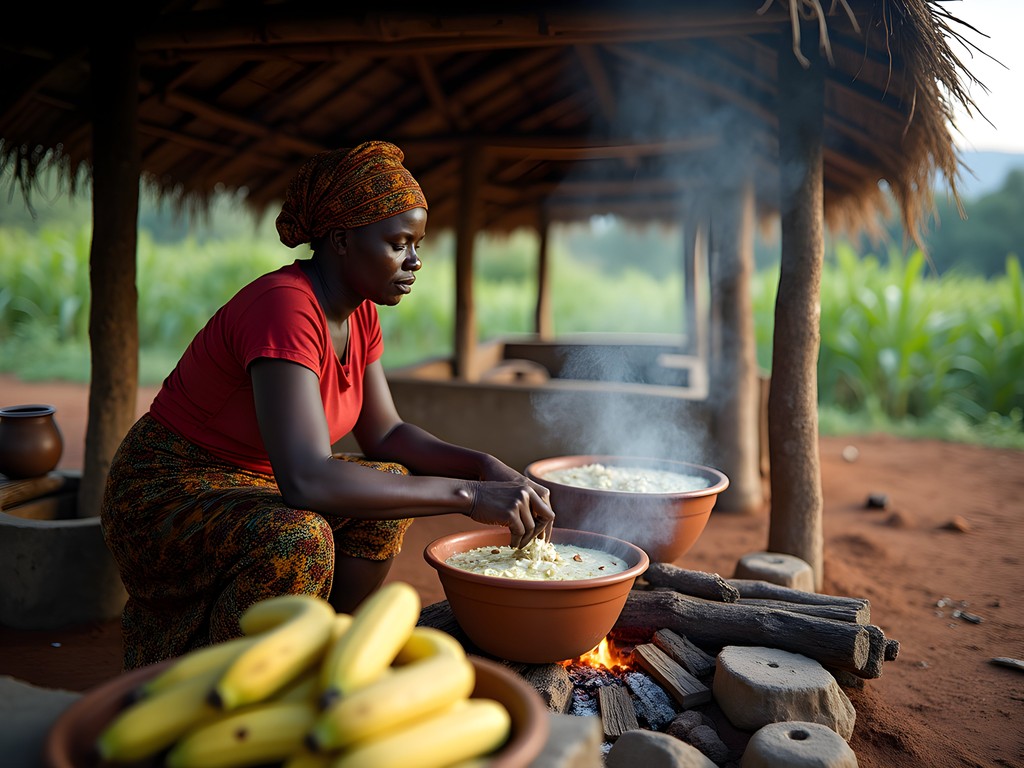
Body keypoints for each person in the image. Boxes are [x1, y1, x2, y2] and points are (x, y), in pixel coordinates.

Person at [100, 140, 555, 670]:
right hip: (165, 490)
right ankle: (232, 679)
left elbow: (385, 435)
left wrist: (483, 465)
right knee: (300, 537)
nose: (414, 260)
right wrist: (469, 495)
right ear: (341, 240)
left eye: (417, 244)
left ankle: (329, 655)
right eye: (398, 243)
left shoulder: (359, 313)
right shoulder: (285, 307)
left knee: (385, 488)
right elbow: (307, 481)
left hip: (256, 484)